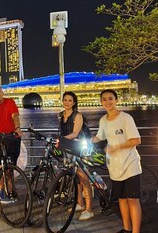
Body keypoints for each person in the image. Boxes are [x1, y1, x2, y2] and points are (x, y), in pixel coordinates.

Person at [92, 89, 142, 233]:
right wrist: (87, 140)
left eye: (110, 98)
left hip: (130, 164)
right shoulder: (103, 120)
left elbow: (136, 140)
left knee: (133, 200)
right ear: (101, 102)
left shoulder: (125, 118)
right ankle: (126, 229)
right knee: (121, 199)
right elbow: (99, 137)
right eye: (104, 99)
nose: (107, 102)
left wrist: (116, 147)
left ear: (116, 100)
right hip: (114, 166)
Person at [59, 91, 94, 221]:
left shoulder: (77, 115)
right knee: (76, 178)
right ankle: (80, 203)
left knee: (84, 178)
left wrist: (60, 139)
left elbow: (75, 133)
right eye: (65, 100)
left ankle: (89, 209)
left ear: (74, 102)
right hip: (68, 148)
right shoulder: (61, 115)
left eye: (69, 100)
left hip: (80, 148)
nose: (67, 102)